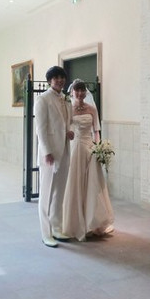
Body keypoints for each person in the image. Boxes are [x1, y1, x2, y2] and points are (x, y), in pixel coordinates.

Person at [63, 79, 115, 241]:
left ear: (86, 93)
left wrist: (98, 148)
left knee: (92, 184)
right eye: (77, 90)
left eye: (82, 90)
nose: (80, 93)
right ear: (72, 92)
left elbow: (96, 131)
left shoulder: (92, 109)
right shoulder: (68, 109)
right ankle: (76, 222)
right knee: (76, 183)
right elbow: (65, 128)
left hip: (90, 148)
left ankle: (93, 221)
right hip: (75, 149)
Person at [34, 66, 75, 247]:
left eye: (62, 77)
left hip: (64, 150)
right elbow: (40, 129)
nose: (60, 80)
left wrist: (70, 131)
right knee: (47, 193)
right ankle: (46, 233)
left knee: (60, 192)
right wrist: (46, 151)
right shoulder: (43, 99)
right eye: (56, 77)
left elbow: (69, 122)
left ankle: (57, 228)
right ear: (50, 80)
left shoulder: (66, 99)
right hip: (49, 154)